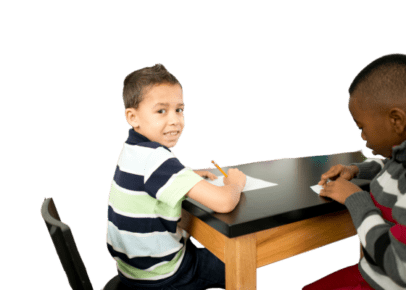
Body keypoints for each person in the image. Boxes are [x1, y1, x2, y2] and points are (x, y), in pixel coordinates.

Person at [105, 62, 246, 290]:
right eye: (161, 110)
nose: (174, 120)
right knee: (239, 265)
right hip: (165, 276)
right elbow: (225, 202)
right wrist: (234, 183)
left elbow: (150, 181)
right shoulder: (157, 160)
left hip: (133, 269)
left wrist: (186, 175)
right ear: (132, 117)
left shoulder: (132, 150)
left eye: (179, 110)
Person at [303, 52, 406, 289]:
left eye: (362, 127)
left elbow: (400, 266)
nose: (362, 136)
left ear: (396, 121)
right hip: (372, 273)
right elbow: (389, 165)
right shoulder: (400, 156)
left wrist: (355, 199)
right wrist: (355, 170)